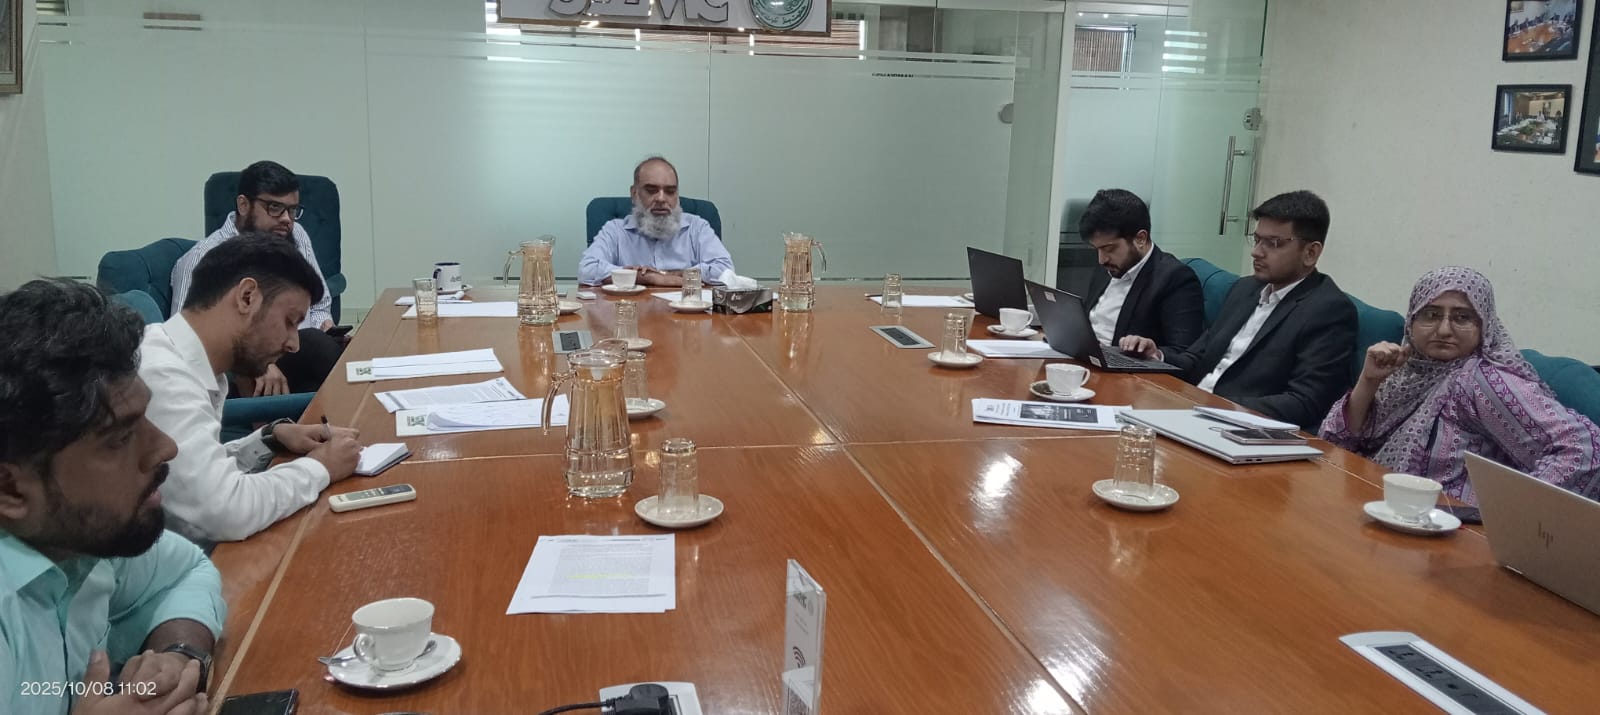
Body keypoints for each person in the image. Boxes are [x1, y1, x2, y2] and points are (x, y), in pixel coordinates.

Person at [0, 279, 224, 715]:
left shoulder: (77, 537)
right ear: (10, 489)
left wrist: (177, 656)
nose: (165, 448)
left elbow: (189, 570)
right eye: (120, 438)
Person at [143, 233, 362, 544]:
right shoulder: (164, 375)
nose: (294, 343)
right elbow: (224, 510)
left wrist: (269, 438)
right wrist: (321, 467)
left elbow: (190, 474)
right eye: (289, 321)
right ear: (247, 297)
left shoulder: (189, 361)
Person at [1321, 267, 1600, 505]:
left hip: (1449, 529)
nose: (1444, 330)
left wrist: (1512, 517)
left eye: (1462, 317)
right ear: (1412, 321)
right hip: (1381, 502)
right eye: (1431, 315)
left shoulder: (1482, 380)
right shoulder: (1409, 369)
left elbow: (1584, 448)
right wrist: (1368, 381)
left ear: (1484, 326)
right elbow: (1335, 442)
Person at [1121, 190, 1356, 432]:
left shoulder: (1329, 310)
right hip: (1192, 411)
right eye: (1257, 239)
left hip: (1240, 429)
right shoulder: (1245, 289)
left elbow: (1305, 402)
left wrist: (1213, 407)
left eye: (1273, 243)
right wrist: (1157, 356)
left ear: (1311, 253)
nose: (1257, 252)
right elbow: (1199, 358)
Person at [171, 160, 342, 395]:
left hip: (298, 355)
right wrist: (256, 363)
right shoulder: (204, 258)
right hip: (242, 368)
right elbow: (187, 338)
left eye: (292, 210)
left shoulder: (294, 234)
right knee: (318, 348)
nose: (286, 219)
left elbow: (319, 304)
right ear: (243, 205)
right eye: (274, 207)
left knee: (332, 367)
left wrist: (326, 325)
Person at [578, 156, 735, 287]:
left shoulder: (697, 227)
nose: (661, 198)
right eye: (651, 190)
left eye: (670, 191)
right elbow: (587, 270)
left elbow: (725, 270)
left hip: (688, 312)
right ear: (634, 193)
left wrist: (672, 274)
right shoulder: (615, 230)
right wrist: (647, 278)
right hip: (632, 311)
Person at [1079, 189, 1204, 353]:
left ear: (1140, 239)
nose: (1101, 259)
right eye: (1097, 249)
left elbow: (1185, 352)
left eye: (1109, 248)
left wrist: (1155, 353)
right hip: (1087, 356)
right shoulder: (1110, 265)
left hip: (1123, 366)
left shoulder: (1177, 279)